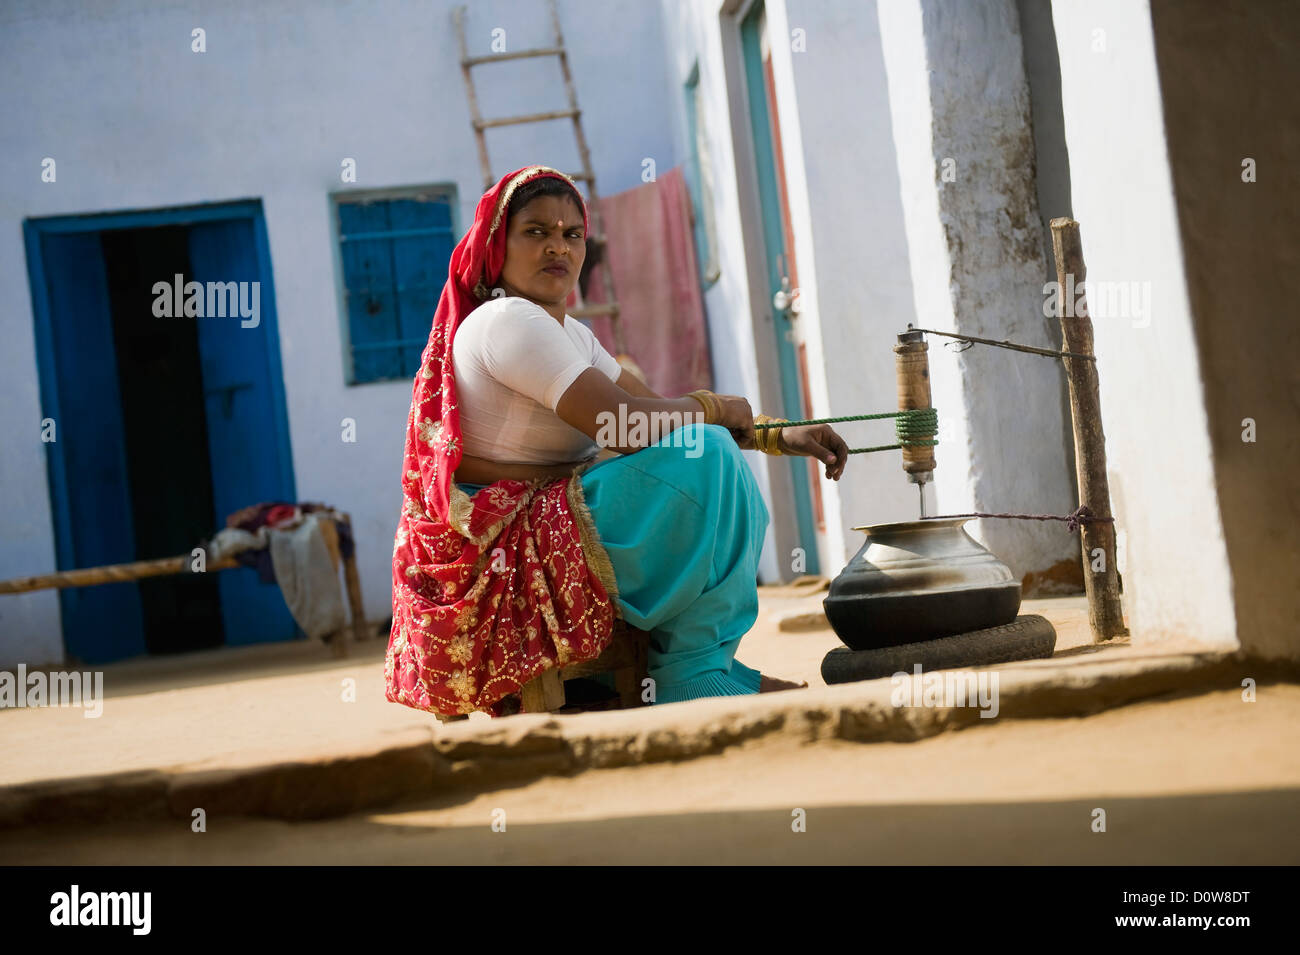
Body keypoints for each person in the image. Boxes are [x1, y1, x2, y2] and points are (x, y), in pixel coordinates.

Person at [386, 164, 848, 718]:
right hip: (502, 551)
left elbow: (656, 411)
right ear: (496, 247)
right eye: (536, 232)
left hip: (544, 524)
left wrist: (776, 434)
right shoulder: (507, 321)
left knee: (709, 459)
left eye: (571, 234)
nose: (558, 247)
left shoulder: (568, 332)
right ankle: (692, 674)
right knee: (707, 460)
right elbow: (624, 428)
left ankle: (702, 667)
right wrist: (715, 409)